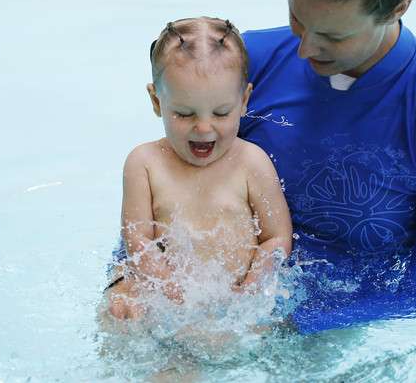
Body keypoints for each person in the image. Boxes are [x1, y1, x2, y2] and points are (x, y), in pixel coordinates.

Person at [238, 0, 416, 333]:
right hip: (226, 291)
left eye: (334, 36)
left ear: (398, 9)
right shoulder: (251, 62)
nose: (305, 48)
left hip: (345, 328)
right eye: (297, 17)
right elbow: (170, 185)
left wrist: (295, 327)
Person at [105, 17, 293, 321]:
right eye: (183, 113)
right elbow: (138, 240)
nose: (204, 128)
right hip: (169, 307)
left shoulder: (251, 163)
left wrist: (253, 286)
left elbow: (276, 237)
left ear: (244, 100)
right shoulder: (145, 164)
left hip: (236, 309)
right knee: (119, 313)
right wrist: (172, 293)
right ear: (156, 101)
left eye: (221, 112)